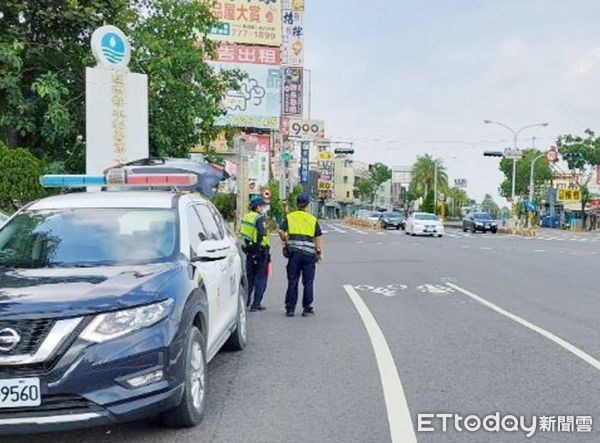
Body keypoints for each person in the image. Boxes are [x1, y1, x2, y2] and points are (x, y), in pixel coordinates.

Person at [279, 193, 323, 317]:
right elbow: (318, 237)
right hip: (309, 255)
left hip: (294, 254)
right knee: (308, 282)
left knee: (292, 280)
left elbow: (280, 230)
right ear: (307, 205)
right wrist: (319, 252)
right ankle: (307, 308)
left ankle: (290, 309)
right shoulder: (312, 219)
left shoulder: (290, 217)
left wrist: (285, 242)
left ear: (297, 204)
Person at [239, 197, 270, 312]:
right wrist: (258, 250)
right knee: (261, 278)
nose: (263, 208)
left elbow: (244, 234)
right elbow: (261, 235)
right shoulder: (259, 218)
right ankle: (256, 304)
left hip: (249, 250)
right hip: (260, 252)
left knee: (250, 278)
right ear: (257, 207)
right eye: (262, 206)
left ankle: (246, 301)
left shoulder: (247, 217)